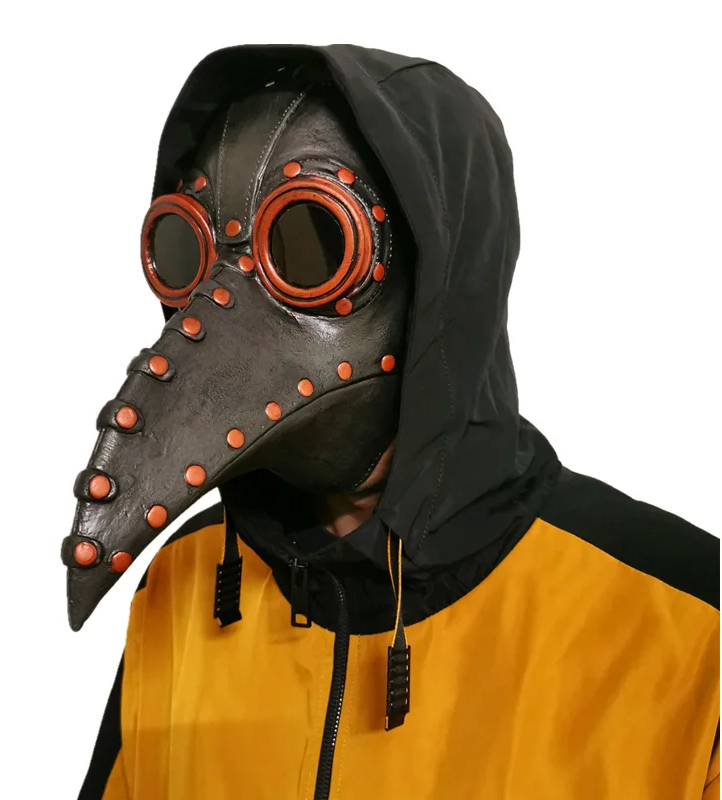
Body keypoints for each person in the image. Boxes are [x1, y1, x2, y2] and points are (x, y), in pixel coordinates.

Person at [62, 45, 720, 799]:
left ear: (443, 274)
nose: (225, 309)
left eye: (312, 240)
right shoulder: (183, 586)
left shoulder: (687, 624)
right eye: (190, 252)